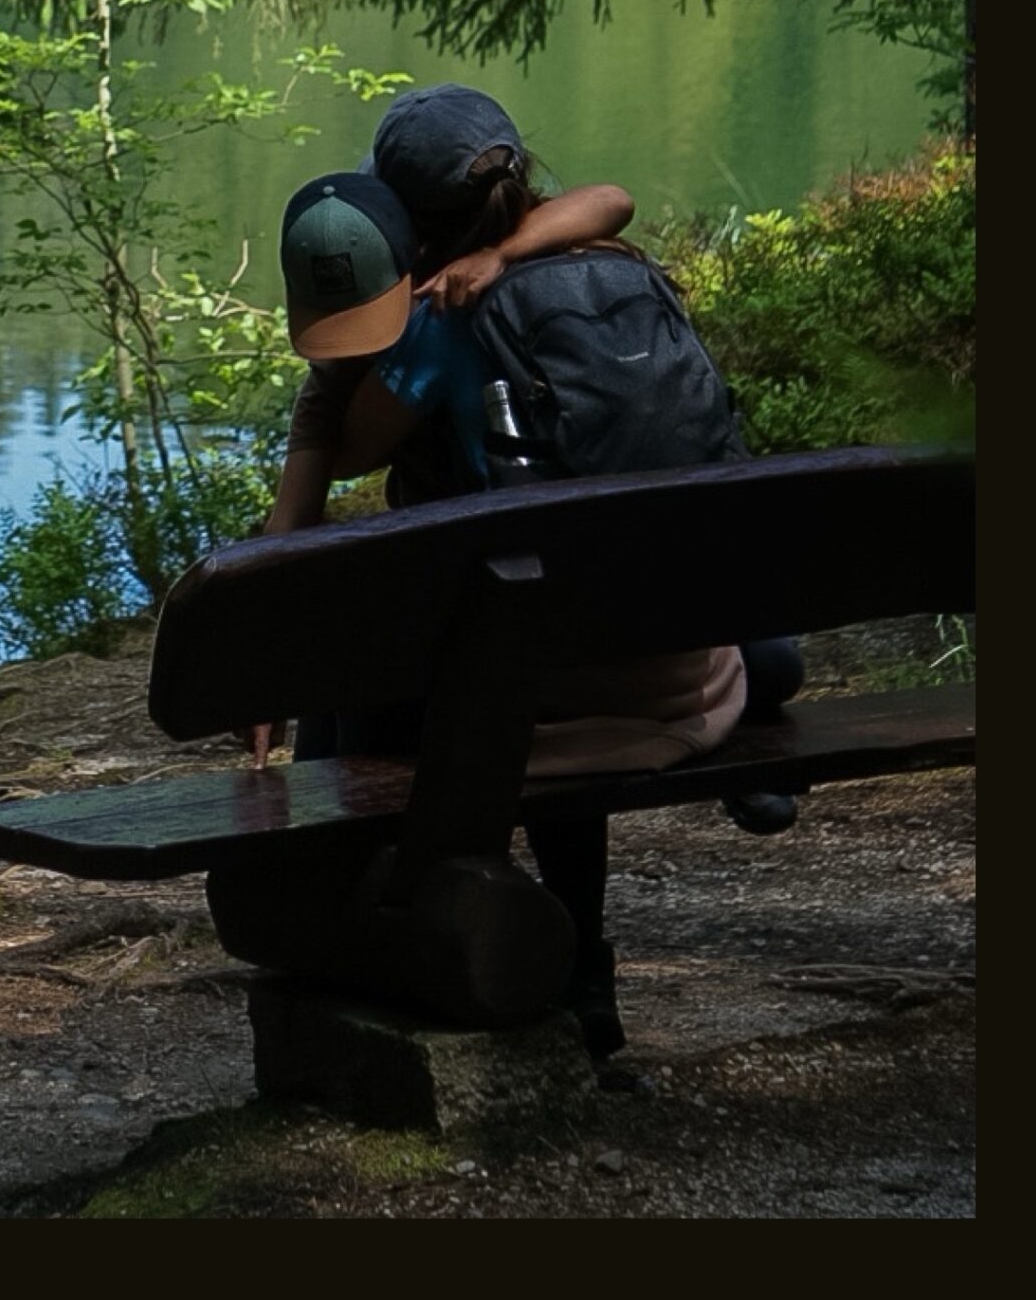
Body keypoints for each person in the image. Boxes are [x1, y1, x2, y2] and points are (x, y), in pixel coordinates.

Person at [252, 85, 787, 1061]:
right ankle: (583, 976)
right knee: (549, 632)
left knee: (435, 671)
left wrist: (335, 367)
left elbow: (347, 449)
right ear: (514, 176)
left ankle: (382, 917)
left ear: (407, 218)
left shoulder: (435, 329)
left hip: (538, 694)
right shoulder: (608, 267)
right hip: (686, 663)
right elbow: (611, 194)